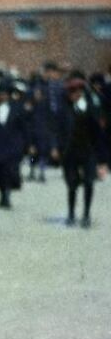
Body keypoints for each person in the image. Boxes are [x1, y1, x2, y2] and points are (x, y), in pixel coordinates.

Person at [53, 75, 109, 227]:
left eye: (77, 92)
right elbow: (57, 130)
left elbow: (99, 134)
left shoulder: (92, 109)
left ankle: (86, 214)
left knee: (89, 182)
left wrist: (103, 160)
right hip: (69, 152)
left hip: (88, 151)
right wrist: (56, 147)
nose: (74, 95)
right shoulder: (64, 109)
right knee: (71, 184)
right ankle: (71, 213)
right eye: (71, 92)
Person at [0, 84, 28, 209]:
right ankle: (2, 192)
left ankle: (7, 194)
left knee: (10, 170)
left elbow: (24, 128)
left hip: (13, 145)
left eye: (4, 94)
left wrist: (25, 145)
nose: (2, 96)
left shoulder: (18, 109)